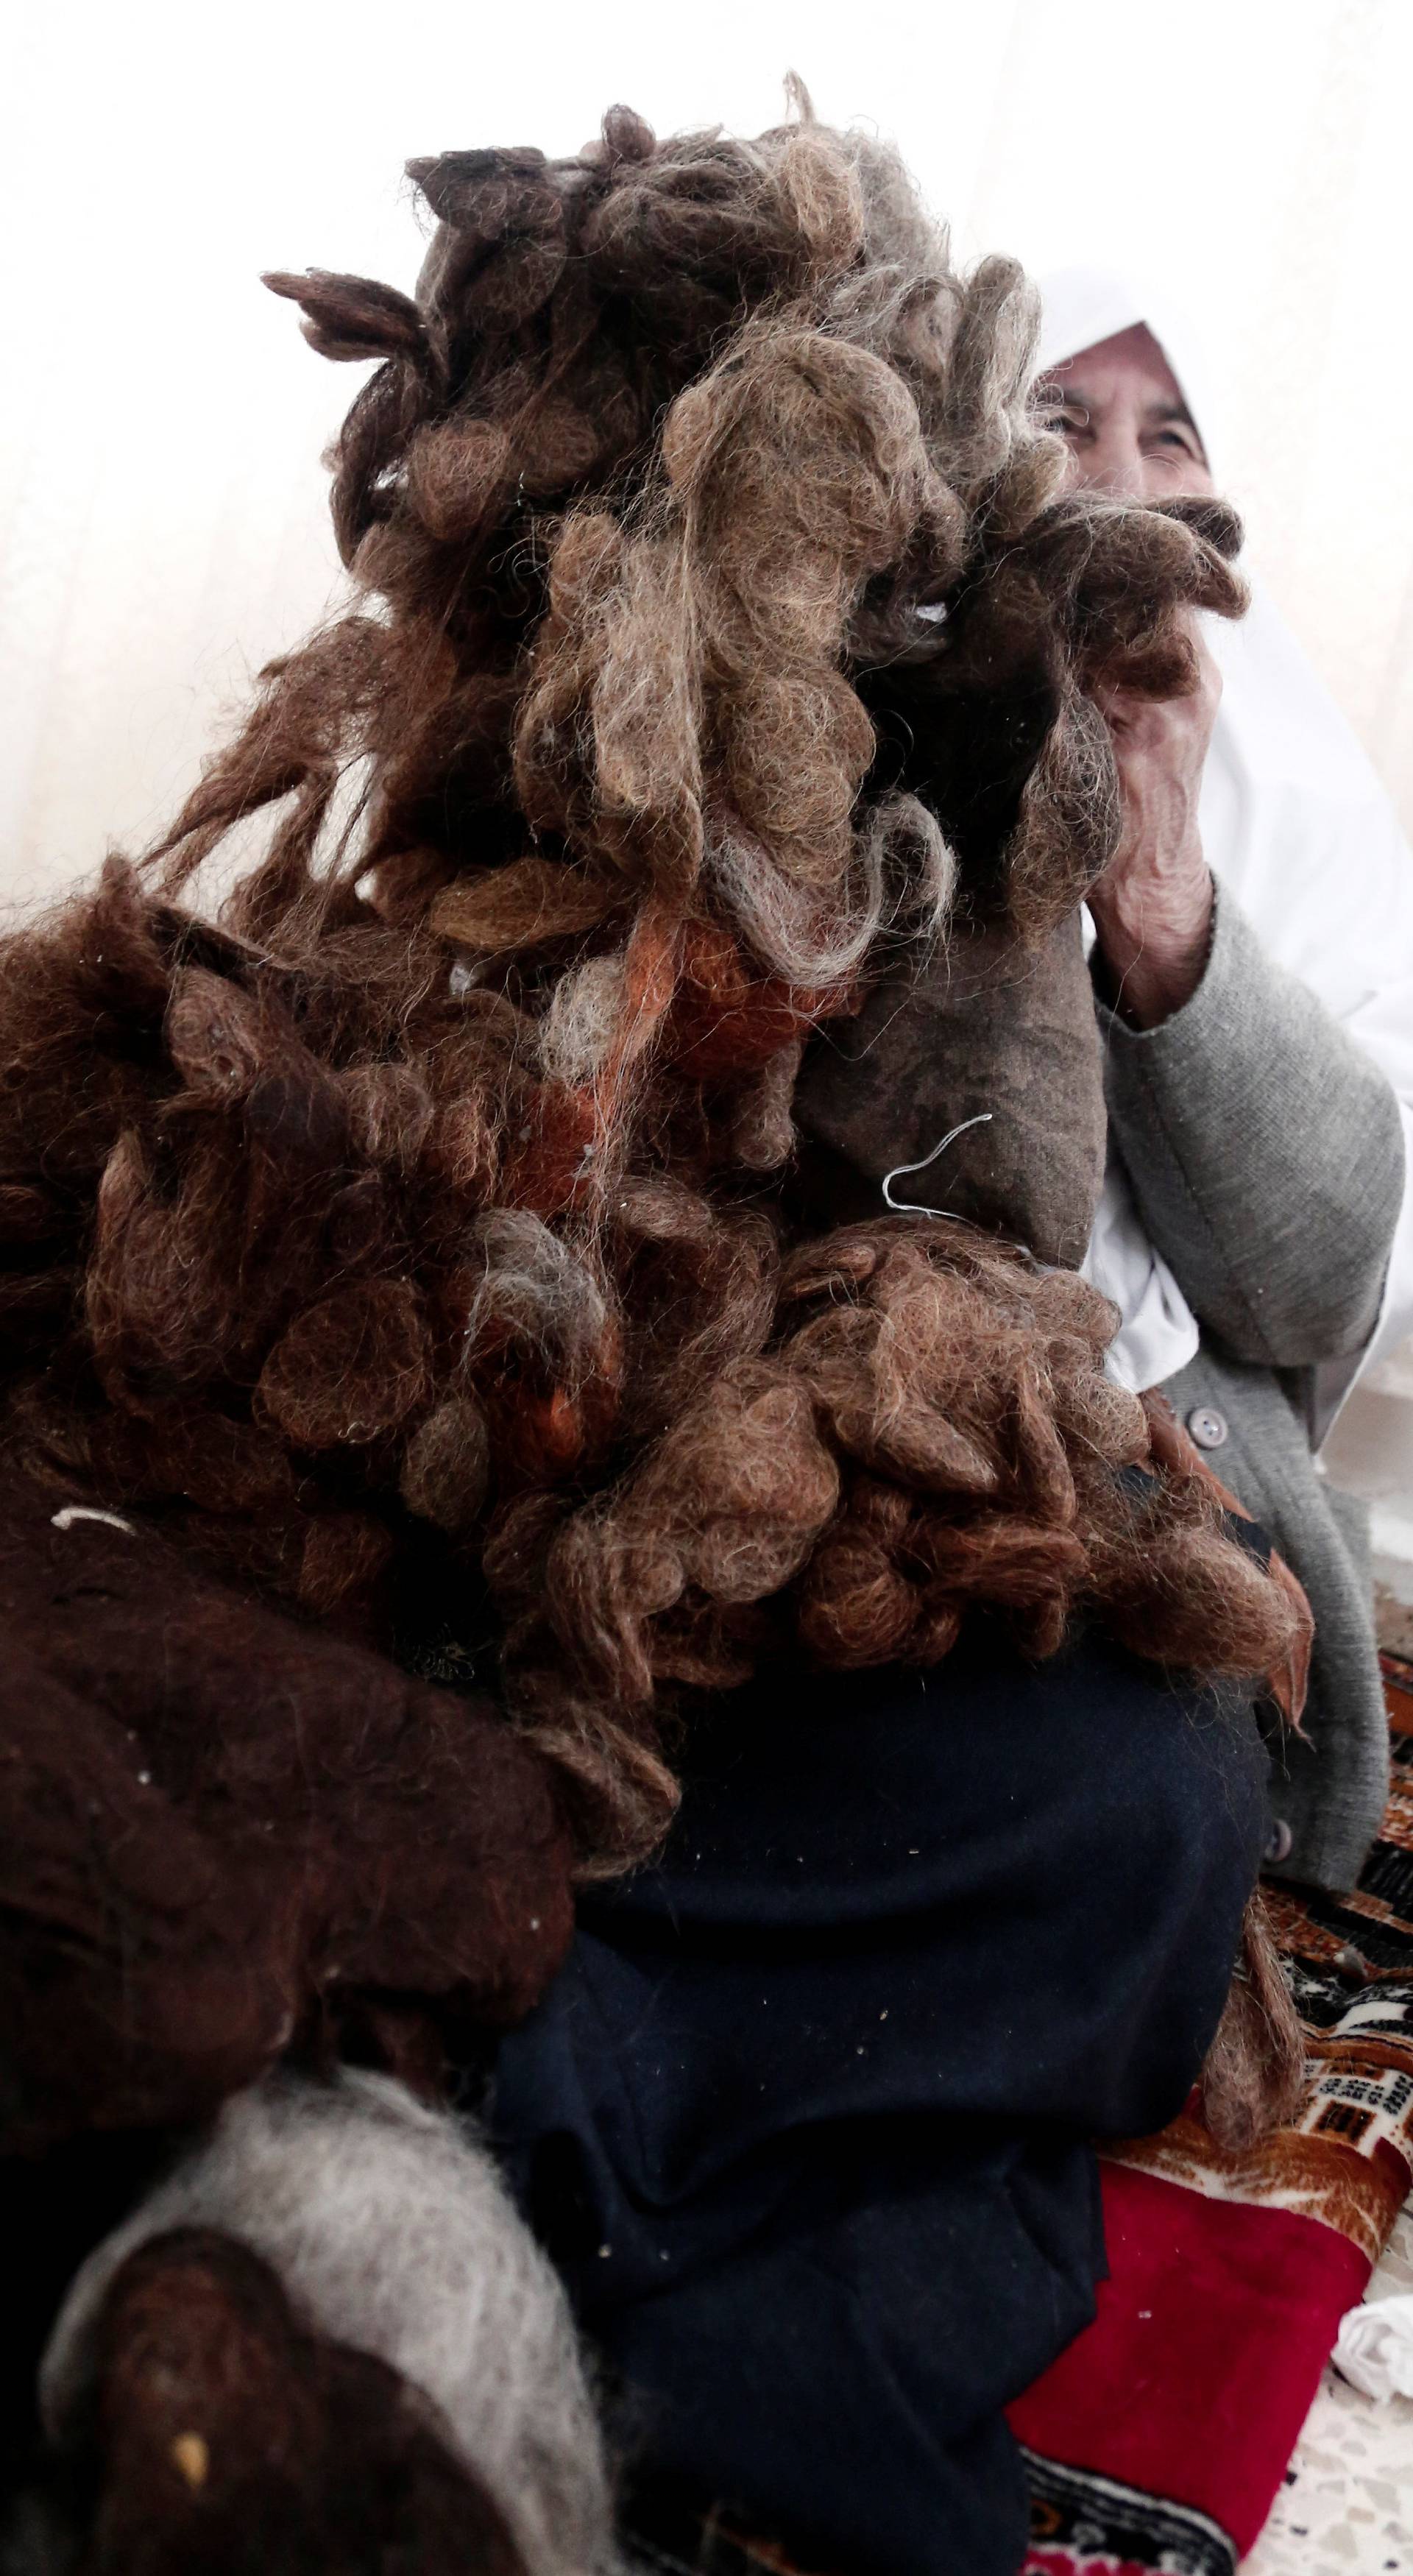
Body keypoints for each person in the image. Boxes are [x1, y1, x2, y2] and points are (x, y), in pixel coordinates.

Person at [1038, 272, 1413, 1892]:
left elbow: (1325, 1284)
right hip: (854, 1486)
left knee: (1137, 1810)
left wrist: (1159, 880)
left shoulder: (1292, 795)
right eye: (1064, 421)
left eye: (1165, 431)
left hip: (1175, 1537)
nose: (1122, 474)